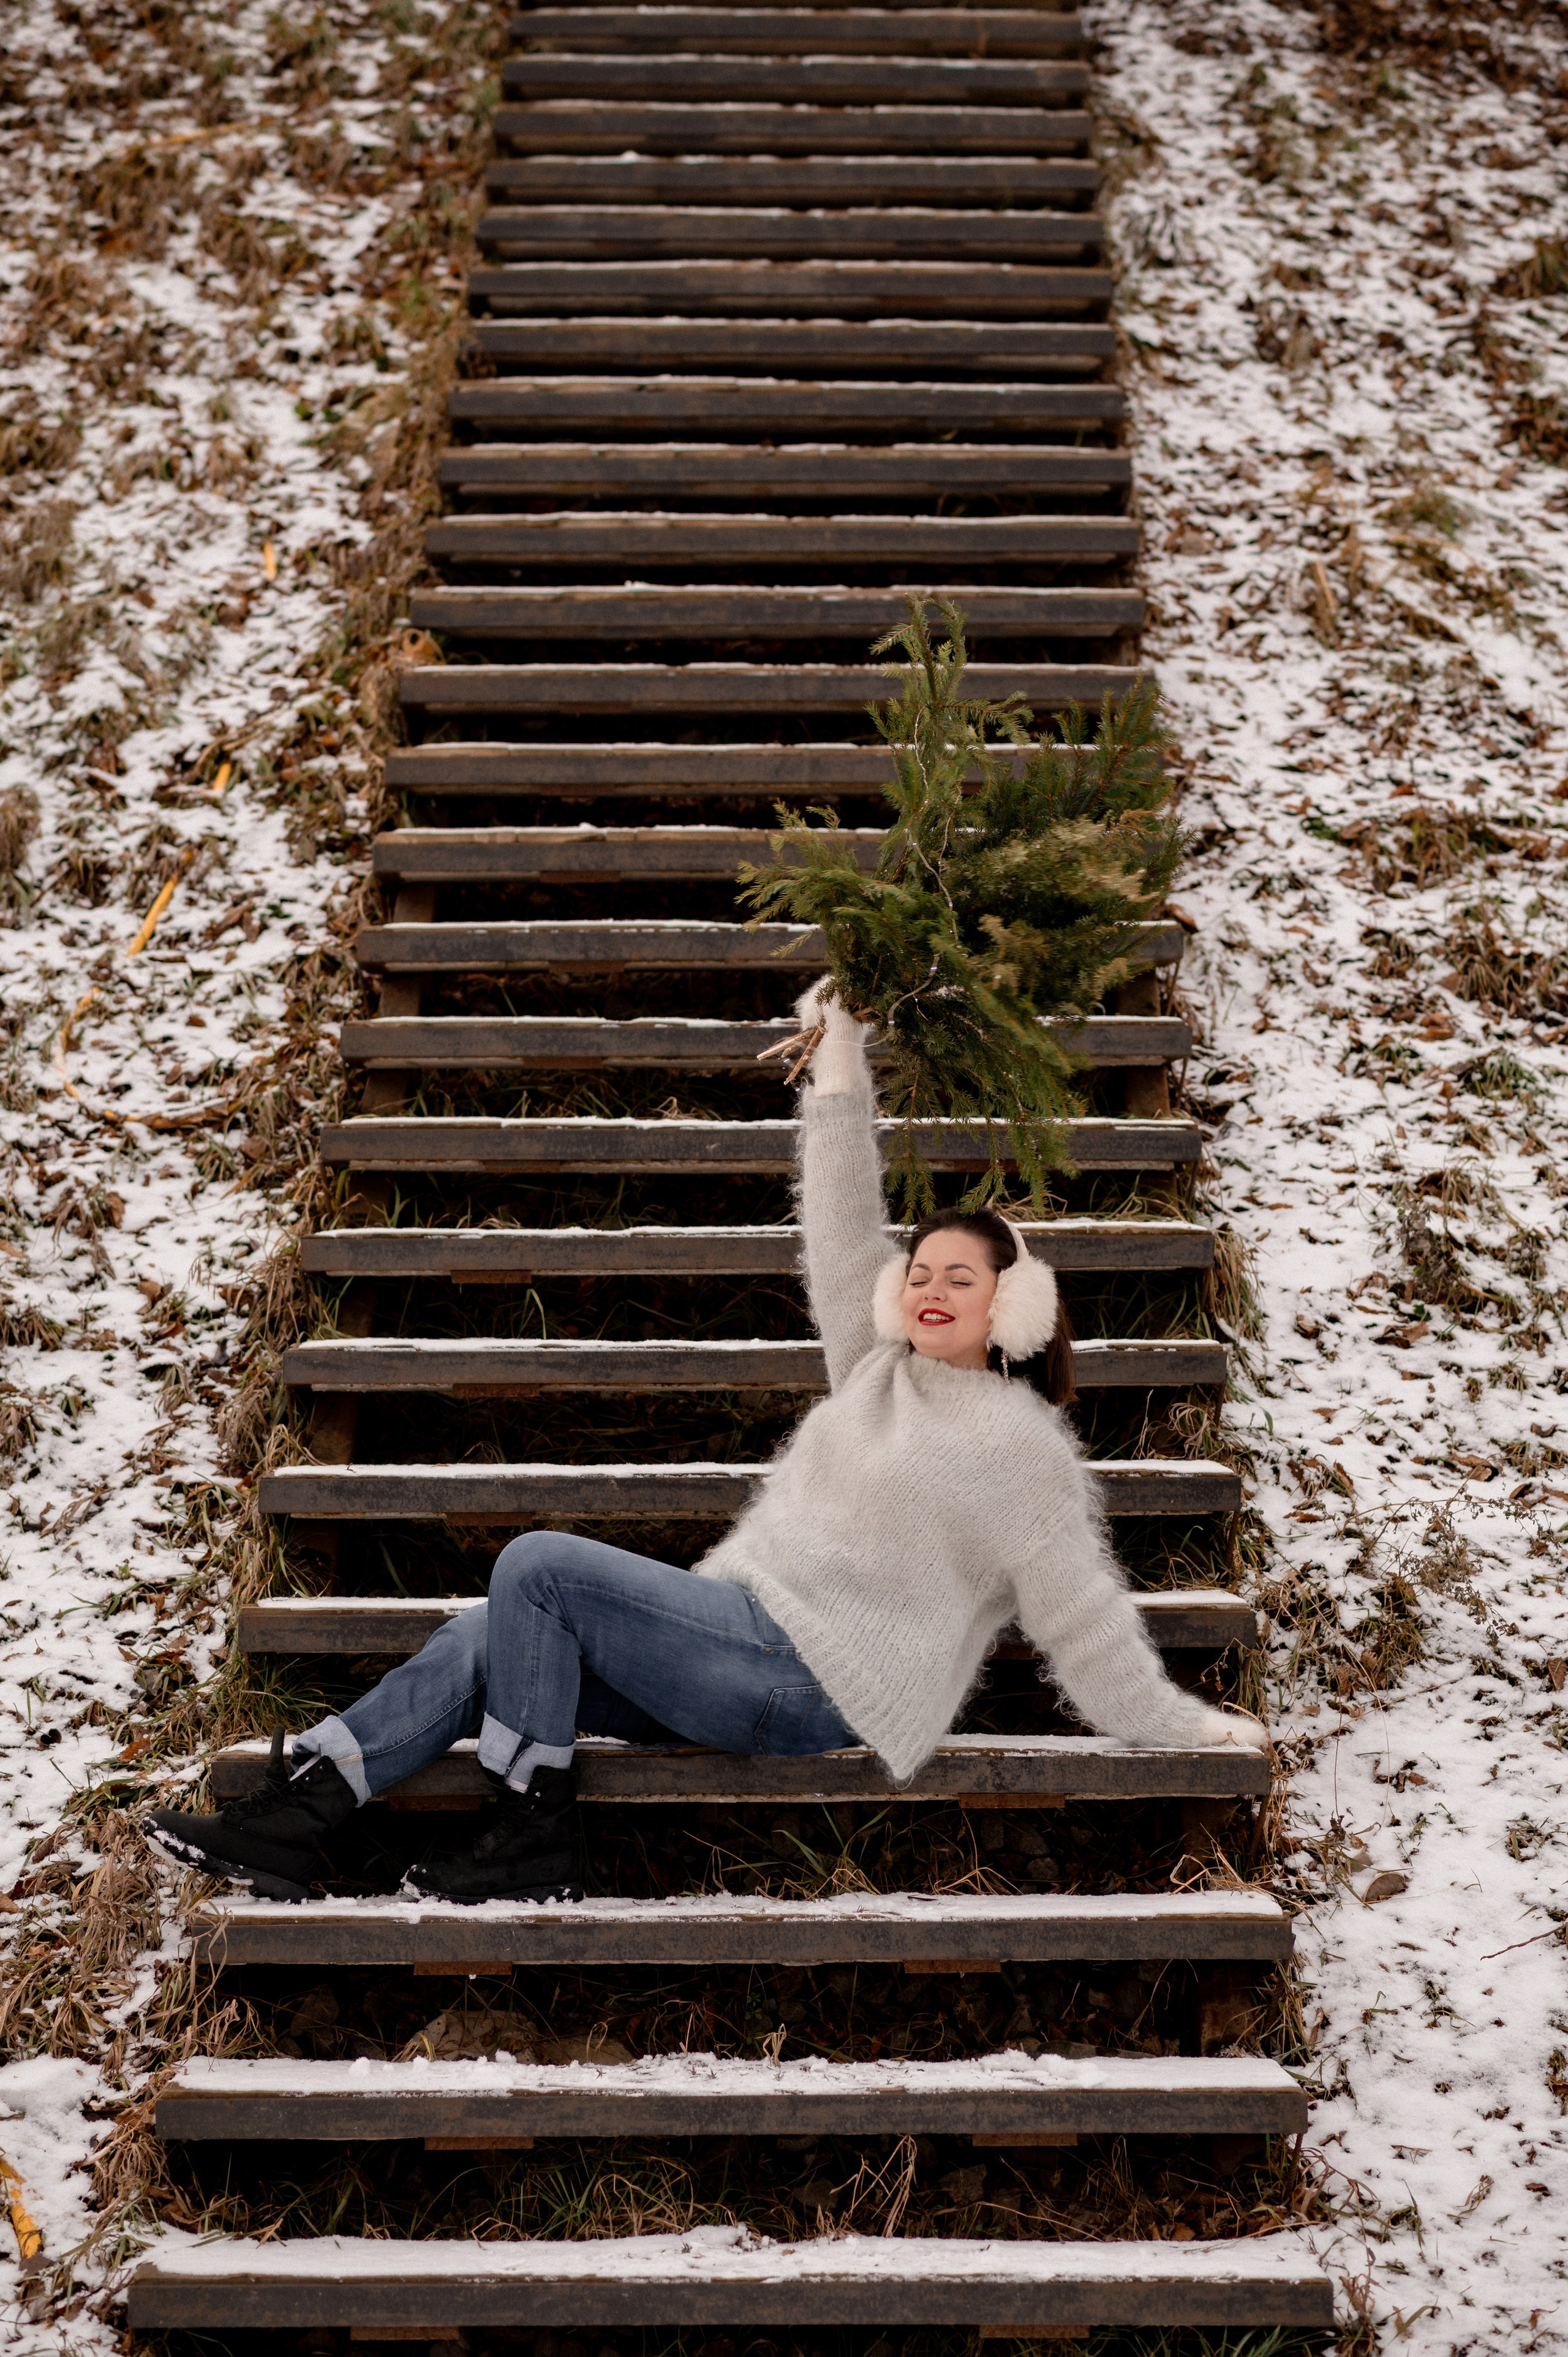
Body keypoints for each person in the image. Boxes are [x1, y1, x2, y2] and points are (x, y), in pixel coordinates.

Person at [143, 984, 1263, 1906]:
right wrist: (840, 1065)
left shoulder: (1022, 1449)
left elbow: (1080, 1612)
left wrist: (1178, 1724)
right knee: (494, 1627)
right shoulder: (873, 1378)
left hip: (817, 1685)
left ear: (1013, 1310)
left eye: (958, 1279)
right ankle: (305, 1812)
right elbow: (837, 1226)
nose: (927, 1288)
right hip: (743, 1641)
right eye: (918, 1271)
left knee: (536, 1566)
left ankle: (533, 1840)